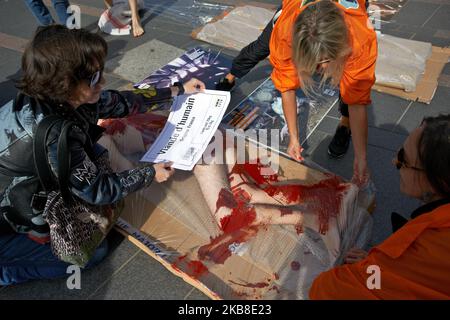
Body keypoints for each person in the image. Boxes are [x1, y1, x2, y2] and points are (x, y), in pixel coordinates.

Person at [0, 25, 205, 286]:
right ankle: (7, 269)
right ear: (66, 84)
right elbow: (98, 190)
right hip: (10, 209)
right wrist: (150, 173)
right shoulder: (55, 135)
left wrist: (177, 90)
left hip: (31, 178)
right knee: (91, 252)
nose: (103, 81)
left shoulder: (59, 96)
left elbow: (121, 101)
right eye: (95, 78)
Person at [217, 0, 376, 186]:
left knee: (349, 84)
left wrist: (361, 157)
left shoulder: (361, 40)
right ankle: (232, 75)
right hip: (295, 15)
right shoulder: (285, 34)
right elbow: (287, 87)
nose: (320, 69)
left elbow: (357, 99)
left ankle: (345, 123)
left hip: (345, 32)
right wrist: (293, 138)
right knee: (261, 46)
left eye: (325, 61)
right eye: (313, 62)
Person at [309, 114, 450, 299]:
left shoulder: (423, 249)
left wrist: (376, 269)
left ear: (435, 181)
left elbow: (328, 290)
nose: (394, 162)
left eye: (403, 159)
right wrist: (376, 268)